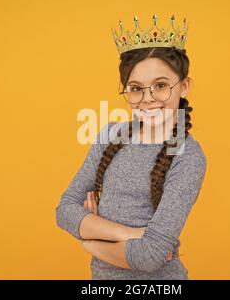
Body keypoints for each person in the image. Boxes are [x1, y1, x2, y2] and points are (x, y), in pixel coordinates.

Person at [56, 14, 207, 279]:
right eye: (136, 88)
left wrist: (90, 238)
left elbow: (150, 256)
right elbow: (65, 210)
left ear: (184, 86)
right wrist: (131, 235)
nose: (147, 99)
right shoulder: (109, 136)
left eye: (160, 86)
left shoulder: (187, 155)